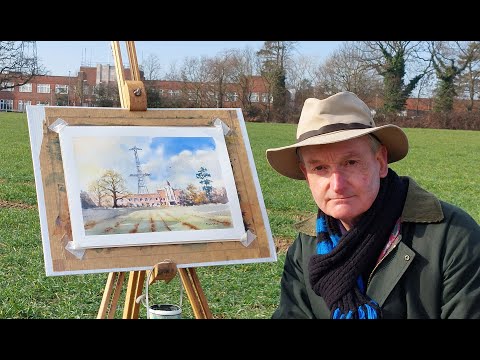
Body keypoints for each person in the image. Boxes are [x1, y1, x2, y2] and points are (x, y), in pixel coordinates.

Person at [266, 91, 480, 319]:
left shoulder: (453, 237)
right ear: (306, 176)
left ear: (380, 162)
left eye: (350, 162)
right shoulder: (306, 246)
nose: (337, 185)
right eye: (320, 168)